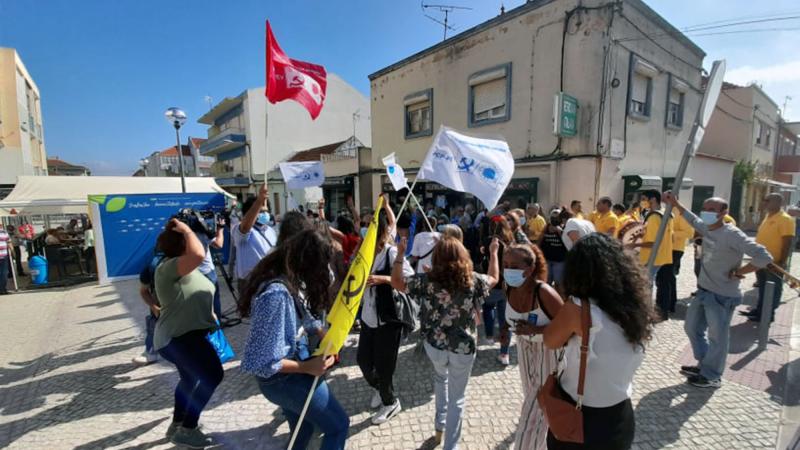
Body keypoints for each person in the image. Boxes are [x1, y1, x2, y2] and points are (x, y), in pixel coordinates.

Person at [240, 229, 349, 450]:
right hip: (284, 381)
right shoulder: (276, 295)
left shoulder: (285, 278)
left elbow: (302, 315)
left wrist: (321, 332)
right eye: (322, 267)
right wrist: (307, 366)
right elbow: (263, 362)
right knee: (338, 426)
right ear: (309, 264)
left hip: (289, 376)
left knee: (304, 427)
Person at [543, 234, 655, 449]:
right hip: (620, 412)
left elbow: (550, 341)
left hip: (580, 416)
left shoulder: (579, 308)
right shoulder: (635, 304)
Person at [392, 236, 500, 450]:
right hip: (463, 348)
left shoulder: (426, 280)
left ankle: (439, 426)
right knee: (457, 398)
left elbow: (397, 282)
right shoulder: (474, 280)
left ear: (437, 257)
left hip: (435, 346)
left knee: (441, 380)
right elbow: (494, 278)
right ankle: (450, 446)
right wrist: (494, 252)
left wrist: (400, 254)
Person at [663, 192, 772, 388]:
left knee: (717, 337)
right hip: (704, 291)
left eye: (712, 210)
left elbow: (763, 256)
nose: (706, 213)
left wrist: (741, 271)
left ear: (724, 213)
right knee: (692, 328)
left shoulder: (732, 234)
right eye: (705, 209)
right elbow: (692, 219)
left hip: (722, 296)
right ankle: (705, 364)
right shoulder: (706, 228)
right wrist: (676, 203)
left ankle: (712, 375)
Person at [153, 219, 223, 448]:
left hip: (188, 335)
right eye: (192, 239)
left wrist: (209, 315)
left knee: (190, 378)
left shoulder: (187, 269)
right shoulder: (167, 268)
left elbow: (200, 290)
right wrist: (187, 229)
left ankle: (178, 423)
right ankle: (188, 428)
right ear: (183, 243)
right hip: (176, 337)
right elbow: (198, 255)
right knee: (213, 375)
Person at [357, 204, 415, 425]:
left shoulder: (390, 252)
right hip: (368, 316)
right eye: (364, 225)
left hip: (389, 317)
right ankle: (380, 389)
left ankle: (390, 402)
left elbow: (409, 282)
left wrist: (383, 279)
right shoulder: (364, 252)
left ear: (380, 230)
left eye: (370, 225)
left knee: (384, 365)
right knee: (363, 360)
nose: (365, 229)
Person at [503, 243, 562, 450]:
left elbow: (567, 327)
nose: (508, 269)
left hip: (548, 351)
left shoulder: (544, 292)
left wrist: (535, 330)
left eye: (513, 265)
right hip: (524, 350)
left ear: (529, 269)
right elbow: (511, 315)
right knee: (535, 401)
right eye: (505, 264)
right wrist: (505, 330)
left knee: (534, 410)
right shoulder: (509, 287)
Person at [745, 193, 795, 323]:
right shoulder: (768, 217)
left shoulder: (785, 219)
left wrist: (781, 262)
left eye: (767, 200)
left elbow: (787, 242)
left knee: (773, 288)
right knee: (762, 287)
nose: (764, 203)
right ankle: (760, 310)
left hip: (774, 262)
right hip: (760, 260)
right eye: (764, 200)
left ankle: (768, 314)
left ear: (778, 203)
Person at [628, 190, 674, 320]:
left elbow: (653, 242)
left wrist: (635, 245)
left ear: (653, 199)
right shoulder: (665, 213)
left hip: (651, 256)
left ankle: (645, 313)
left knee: (645, 284)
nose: (642, 202)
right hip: (663, 255)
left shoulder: (654, 217)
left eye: (644, 198)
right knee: (650, 283)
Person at [481, 215, 514, 365]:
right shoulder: (511, 241)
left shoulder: (490, 241)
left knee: (487, 307)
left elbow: (481, 254)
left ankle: (488, 336)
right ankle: (504, 353)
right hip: (508, 286)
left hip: (493, 284)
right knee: (505, 321)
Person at [232, 185, 277, 288]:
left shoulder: (270, 231)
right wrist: (259, 200)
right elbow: (245, 227)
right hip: (250, 283)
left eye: (266, 211)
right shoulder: (241, 230)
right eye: (260, 211)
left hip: (270, 280)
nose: (264, 214)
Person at [133, 250, 164, 366]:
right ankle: (150, 351)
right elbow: (144, 291)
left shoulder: (186, 263)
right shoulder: (152, 267)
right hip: (161, 304)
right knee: (154, 325)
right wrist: (154, 307)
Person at [197, 216, 225, 318]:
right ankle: (216, 326)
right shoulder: (202, 232)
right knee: (213, 300)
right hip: (206, 272)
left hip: (190, 272)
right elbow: (219, 244)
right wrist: (220, 229)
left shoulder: (181, 233)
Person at [539, 210, 568, 288]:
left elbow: (567, 242)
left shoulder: (564, 227)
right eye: (553, 217)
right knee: (547, 281)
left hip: (559, 260)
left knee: (558, 282)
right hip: (547, 258)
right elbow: (540, 240)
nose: (555, 219)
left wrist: (560, 232)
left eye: (557, 217)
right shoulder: (546, 227)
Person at [0, 224, 10, 295]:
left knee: (4, 273)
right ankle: (2, 289)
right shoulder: (4, 232)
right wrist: (13, 252)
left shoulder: (4, 232)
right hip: (4, 255)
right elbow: (9, 242)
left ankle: (2, 289)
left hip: (4, 255)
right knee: (4, 273)